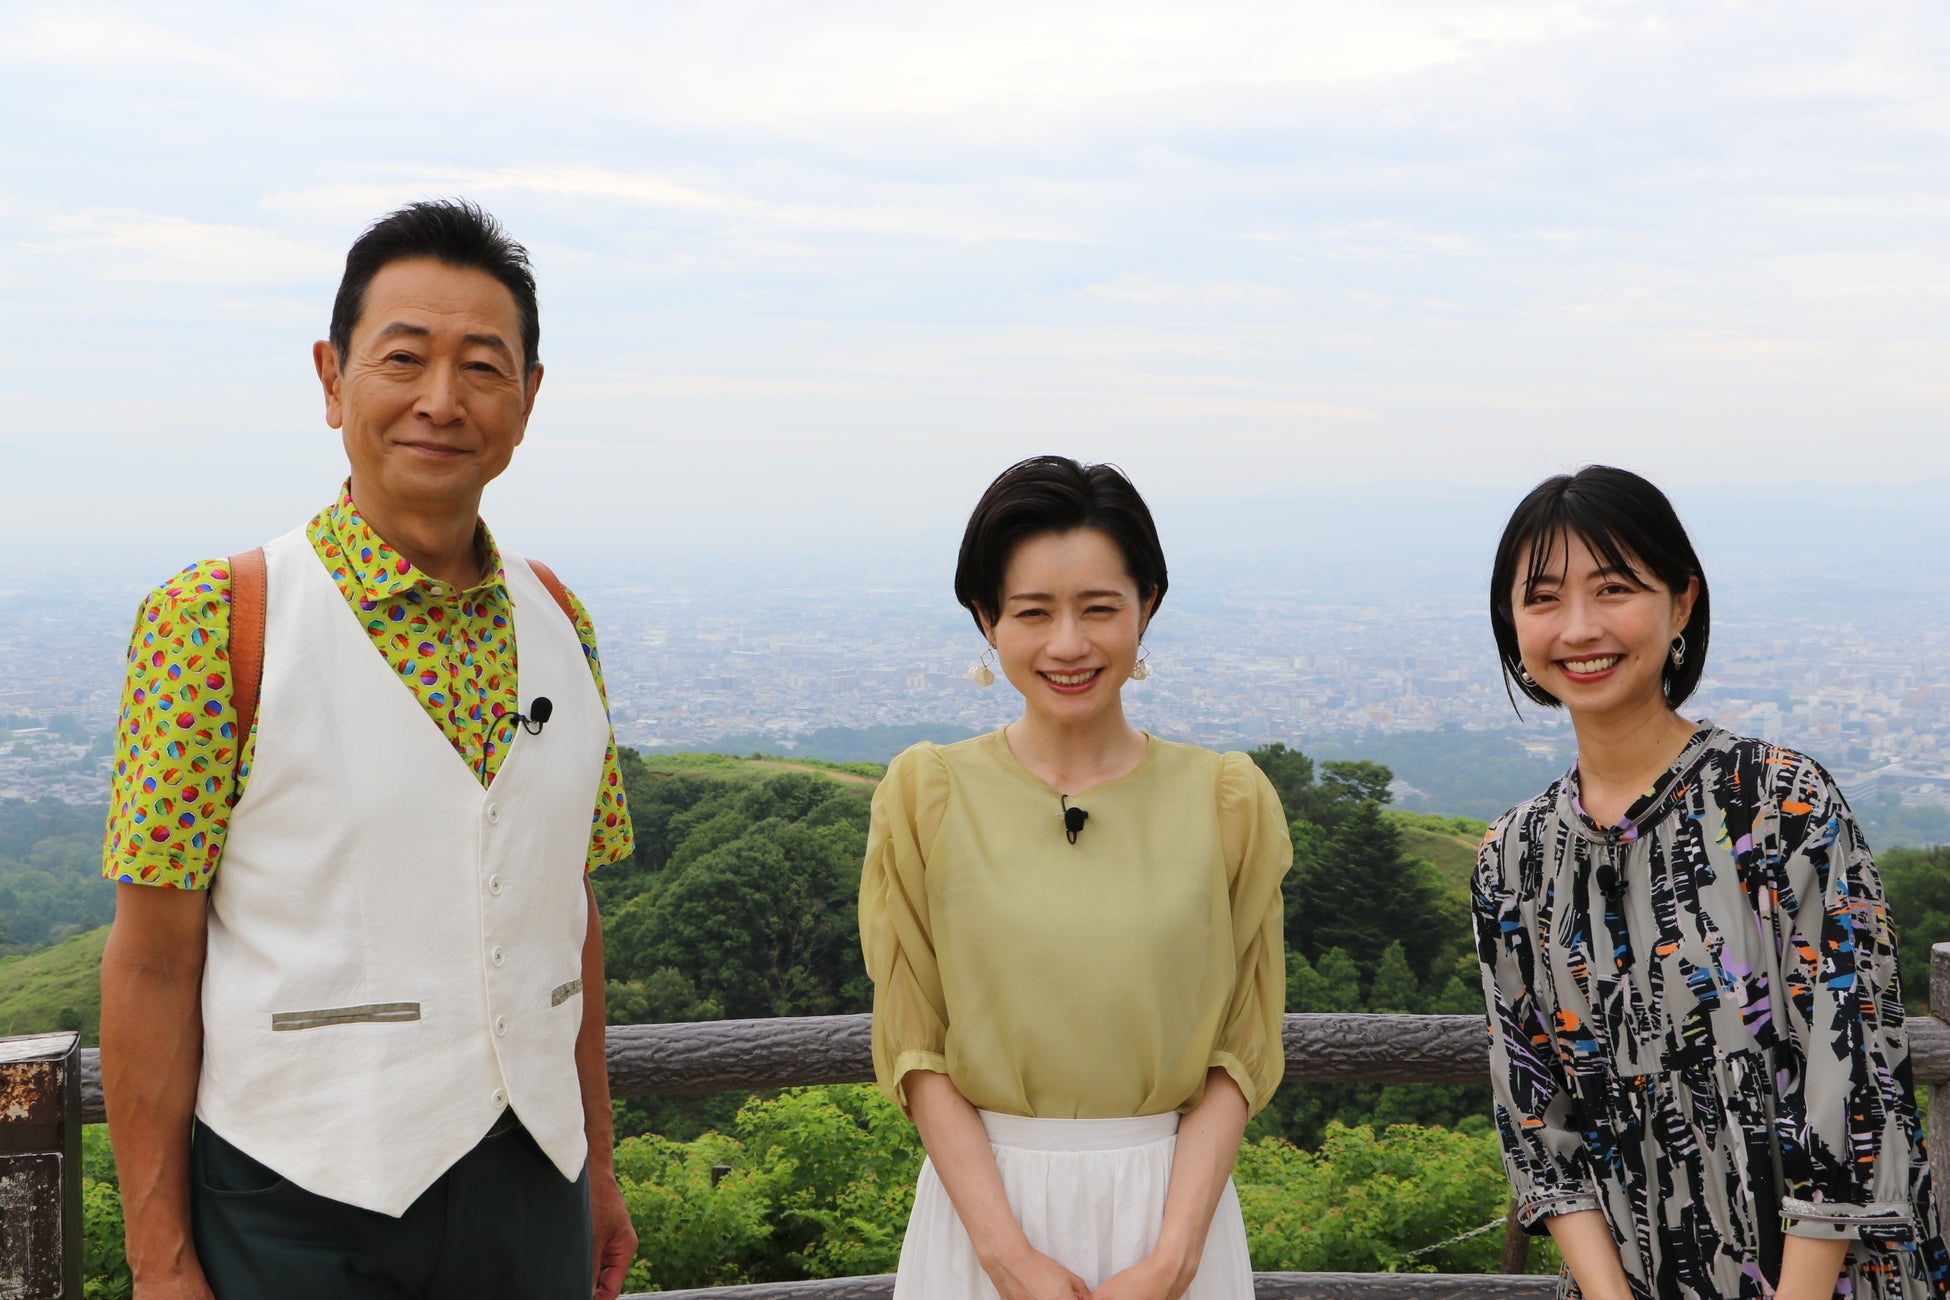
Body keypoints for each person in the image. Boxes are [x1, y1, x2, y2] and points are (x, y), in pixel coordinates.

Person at [97, 200, 639, 1300]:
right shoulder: (219, 618)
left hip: (533, 1187)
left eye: (484, 366)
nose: (441, 400)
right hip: (295, 1198)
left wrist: (599, 1171)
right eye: (404, 358)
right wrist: (158, 1260)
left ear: (529, 398)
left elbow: (561, 913)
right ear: (332, 377)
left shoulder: (561, 620)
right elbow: (153, 957)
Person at [1472, 464, 1949, 1300]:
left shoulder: (1777, 804)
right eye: (1542, 597)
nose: (1579, 626)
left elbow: (1853, 1091)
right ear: (1512, 625)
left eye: (1613, 587)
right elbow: (1538, 1125)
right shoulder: (1514, 858)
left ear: (1681, 602)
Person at [859, 455, 1289, 1300]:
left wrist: (1172, 1260)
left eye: (1099, 609)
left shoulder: (1227, 800)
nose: (1068, 644)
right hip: (980, 1222)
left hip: (1174, 1220)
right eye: (1031, 612)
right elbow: (916, 1047)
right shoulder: (925, 794)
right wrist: (1008, 1259)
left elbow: (1239, 1050)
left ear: (1147, 608)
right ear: (986, 620)